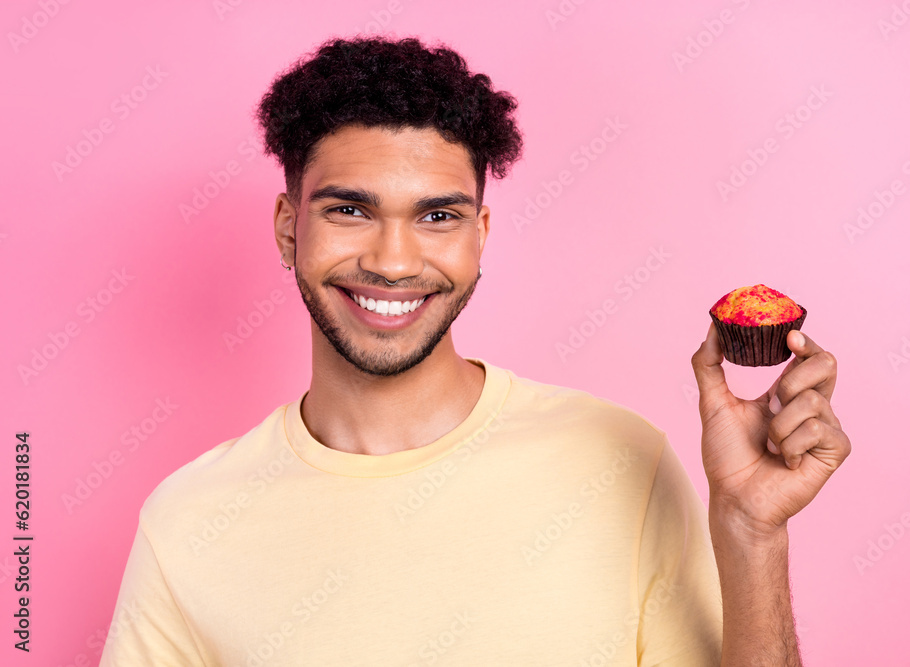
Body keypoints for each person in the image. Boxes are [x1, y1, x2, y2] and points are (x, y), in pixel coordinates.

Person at [99, 35, 851, 666]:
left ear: (479, 236)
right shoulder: (189, 523)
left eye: (436, 215)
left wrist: (752, 534)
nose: (394, 261)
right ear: (290, 228)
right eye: (351, 210)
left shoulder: (623, 460)